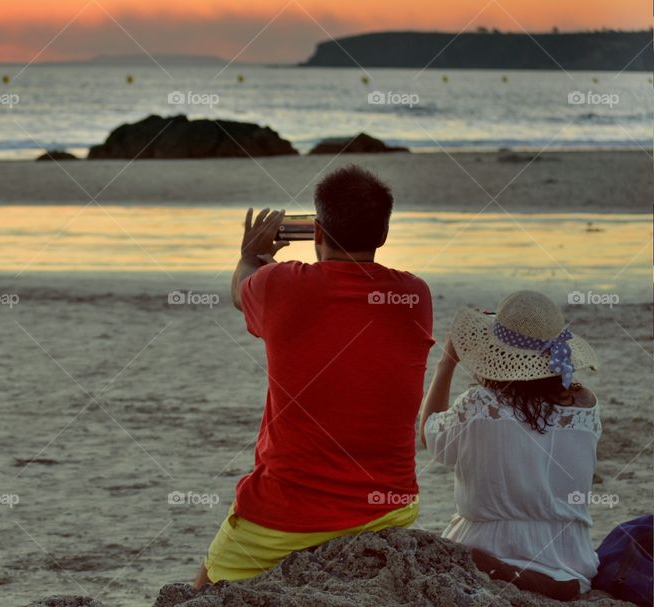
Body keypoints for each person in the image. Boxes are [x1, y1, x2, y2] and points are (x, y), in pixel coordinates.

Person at [194, 165, 434, 587]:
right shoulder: (414, 296)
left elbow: (239, 292)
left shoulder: (279, 284)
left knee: (204, 588)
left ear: (317, 232)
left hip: (283, 514)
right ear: (383, 234)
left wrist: (250, 255)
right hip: (387, 508)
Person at [419, 290, 600, 600]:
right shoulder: (586, 406)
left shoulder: (480, 404)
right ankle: (546, 575)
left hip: (489, 543)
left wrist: (446, 365)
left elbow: (430, 436)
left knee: (454, 552)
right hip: (570, 555)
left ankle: (510, 569)